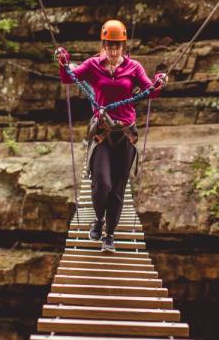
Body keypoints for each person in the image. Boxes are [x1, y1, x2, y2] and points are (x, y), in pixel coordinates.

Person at [54, 19, 166, 252]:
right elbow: (68, 78)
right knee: (102, 184)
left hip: (125, 134)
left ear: (123, 46)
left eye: (117, 46)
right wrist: (63, 63)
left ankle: (110, 236)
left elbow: (150, 92)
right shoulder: (93, 65)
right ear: (104, 45)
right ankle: (98, 219)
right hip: (103, 134)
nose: (113, 50)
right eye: (109, 45)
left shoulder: (134, 67)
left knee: (117, 189)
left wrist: (158, 83)